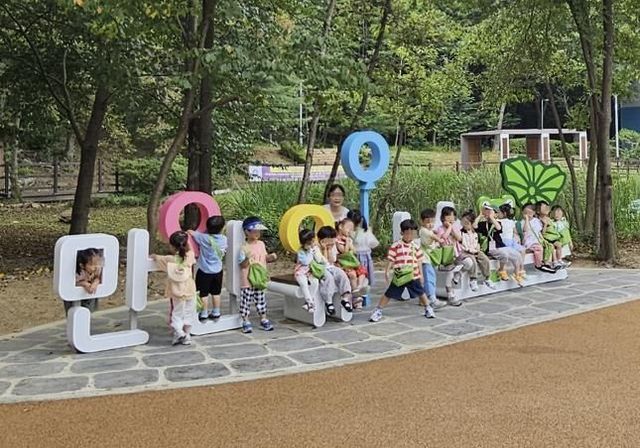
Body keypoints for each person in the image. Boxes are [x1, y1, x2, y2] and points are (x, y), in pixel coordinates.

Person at [369, 219, 435, 322]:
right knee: (389, 293)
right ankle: (378, 310)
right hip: (400, 275)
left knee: (421, 292)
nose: (410, 236)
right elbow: (391, 259)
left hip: (413, 275)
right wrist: (387, 271)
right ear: (402, 233)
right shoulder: (396, 246)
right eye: (407, 233)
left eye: (412, 233)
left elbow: (419, 261)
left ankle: (428, 308)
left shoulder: (416, 246)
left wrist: (421, 275)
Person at [152, 231, 197, 345]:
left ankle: (179, 332)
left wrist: (154, 256)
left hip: (176, 292)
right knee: (189, 312)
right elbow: (191, 251)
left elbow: (157, 258)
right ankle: (187, 335)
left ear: (172, 246)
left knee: (177, 313)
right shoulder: (189, 257)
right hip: (189, 290)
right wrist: (187, 242)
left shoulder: (169, 259)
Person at [238, 216, 278, 333]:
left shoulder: (261, 244)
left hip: (260, 278)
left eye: (259, 231)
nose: (257, 233)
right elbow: (242, 265)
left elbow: (264, 258)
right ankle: (245, 320)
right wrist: (247, 258)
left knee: (261, 299)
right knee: (246, 300)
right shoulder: (244, 247)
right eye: (254, 231)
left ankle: (263, 318)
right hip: (248, 279)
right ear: (247, 232)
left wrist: (271, 257)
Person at [188, 216, 227, 321]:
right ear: (222, 228)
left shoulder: (203, 238)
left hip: (204, 271)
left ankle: (204, 313)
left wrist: (190, 231)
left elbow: (191, 232)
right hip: (218, 271)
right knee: (216, 293)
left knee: (203, 294)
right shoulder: (224, 239)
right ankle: (216, 312)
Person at [475, 204, 525, 286]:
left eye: (491, 211)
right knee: (504, 255)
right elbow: (474, 226)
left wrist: (492, 217)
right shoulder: (483, 224)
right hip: (490, 248)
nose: (489, 213)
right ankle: (501, 270)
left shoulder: (498, 222)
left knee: (517, 254)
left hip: (500, 246)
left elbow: (498, 228)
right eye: (487, 211)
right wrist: (480, 215)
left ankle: (517, 274)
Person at [317, 225, 355, 313]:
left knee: (342, 274)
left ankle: (345, 297)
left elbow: (332, 260)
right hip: (320, 268)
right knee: (329, 278)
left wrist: (330, 250)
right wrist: (324, 249)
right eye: (329, 239)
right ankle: (328, 301)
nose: (331, 241)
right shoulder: (316, 248)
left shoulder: (332, 246)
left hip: (331, 267)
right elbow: (322, 262)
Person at [435, 206, 466, 306]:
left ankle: (458, 275)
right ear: (443, 217)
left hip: (457, 254)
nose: (450, 218)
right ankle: (450, 295)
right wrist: (449, 227)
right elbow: (443, 237)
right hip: (446, 256)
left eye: (452, 216)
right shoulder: (440, 228)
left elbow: (459, 238)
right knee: (450, 271)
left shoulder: (456, 227)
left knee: (469, 263)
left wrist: (452, 229)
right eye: (448, 216)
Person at [418, 209, 447, 310]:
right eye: (427, 222)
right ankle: (433, 300)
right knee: (430, 278)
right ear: (422, 221)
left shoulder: (429, 230)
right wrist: (440, 239)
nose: (430, 224)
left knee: (429, 278)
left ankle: (423, 299)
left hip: (429, 259)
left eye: (432, 221)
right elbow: (433, 236)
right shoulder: (423, 231)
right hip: (425, 259)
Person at [459, 210, 494, 290]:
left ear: (471, 223)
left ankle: (487, 278)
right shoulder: (461, 233)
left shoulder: (475, 232)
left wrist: (477, 249)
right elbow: (462, 244)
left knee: (485, 259)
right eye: (463, 223)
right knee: (473, 261)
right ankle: (473, 279)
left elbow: (477, 243)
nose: (464, 225)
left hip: (475, 251)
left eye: (467, 223)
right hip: (466, 252)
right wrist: (469, 250)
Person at [335, 217, 368, 298]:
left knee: (362, 271)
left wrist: (350, 244)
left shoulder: (348, 239)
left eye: (351, 229)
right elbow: (344, 252)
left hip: (352, 262)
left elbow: (354, 251)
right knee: (352, 275)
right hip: (344, 263)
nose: (350, 231)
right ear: (340, 227)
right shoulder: (337, 240)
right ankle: (355, 292)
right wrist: (347, 243)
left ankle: (359, 287)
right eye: (348, 228)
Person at [520, 204, 556, 273]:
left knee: (549, 246)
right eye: (525, 213)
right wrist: (527, 220)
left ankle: (547, 263)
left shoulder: (536, 220)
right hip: (528, 242)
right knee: (538, 248)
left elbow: (540, 232)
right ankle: (539, 264)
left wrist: (545, 226)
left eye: (530, 213)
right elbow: (525, 230)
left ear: (534, 213)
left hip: (537, 240)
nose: (528, 215)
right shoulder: (522, 222)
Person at [348, 209, 378, 290]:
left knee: (360, 276)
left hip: (357, 257)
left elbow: (373, 243)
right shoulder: (366, 231)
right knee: (362, 276)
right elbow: (374, 244)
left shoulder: (353, 232)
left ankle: (359, 289)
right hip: (365, 256)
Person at [68, 248, 104, 314]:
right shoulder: (79, 273)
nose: (96, 267)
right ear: (82, 265)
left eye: (97, 263)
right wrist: (83, 283)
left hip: (89, 295)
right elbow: (72, 283)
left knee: (89, 310)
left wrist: (95, 283)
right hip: (76, 296)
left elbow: (98, 278)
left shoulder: (97, 269)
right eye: (92, 264)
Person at [497, 203, 526, 279]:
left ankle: (521, 269)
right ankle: (504, 271)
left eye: (499, 212)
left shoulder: (511, 222)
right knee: (506, 254)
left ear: (504, 213)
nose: (497, 214)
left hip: (511, 241)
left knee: (522, 250)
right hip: (503, 242)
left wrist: (517, 237)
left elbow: (515, 232)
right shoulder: (497, 221)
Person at [294, 229, 321, 313]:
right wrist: (311, 253)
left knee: (315, 282)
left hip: (310, 272)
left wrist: (315, 252)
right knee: (304, 284)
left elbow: (318, 260)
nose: (311, 245)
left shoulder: (313, 249)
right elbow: (305, 262)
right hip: (300, 272)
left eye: (312, 242)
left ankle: (308, 301)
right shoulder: (300, 252)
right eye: (309, 244)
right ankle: (310, 303)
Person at [537, 201, 561, 268]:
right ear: (538, 211)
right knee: (550, 246)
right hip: (545, 239)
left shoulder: (548, 219)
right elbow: (541, 233)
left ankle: (559, 260)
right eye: (544, 207)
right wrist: (545, 225)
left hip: (552, 238)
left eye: (547, 207)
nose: (546, 208)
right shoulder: (538, 220)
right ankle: (552, 262)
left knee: (559, 244)